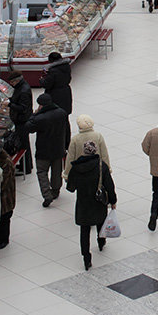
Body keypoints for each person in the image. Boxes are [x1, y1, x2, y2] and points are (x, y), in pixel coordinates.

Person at [65, 141, 117, 270]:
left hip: (83, 203)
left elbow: (70, 188)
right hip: (98, 201)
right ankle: (101, 242)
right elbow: (110, 185)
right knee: (100, 222)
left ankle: (86, 258)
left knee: (85, 230)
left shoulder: (76, 168)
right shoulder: (101, 166)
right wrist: (113, 200)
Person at [23, 93, 68, 207]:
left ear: (41, 105)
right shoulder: (62, 113)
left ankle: (47, 195)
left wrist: (34, 115)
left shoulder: (39, 118)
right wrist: (66, 145)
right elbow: (67, 130)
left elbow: (28, 128)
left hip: (43, 150)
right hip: (58, 148)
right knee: (57, 171)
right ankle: (56, 190)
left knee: (42, 172)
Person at [64, 115, 110, 179]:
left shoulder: (75, 139)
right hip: (96, 169)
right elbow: (104, 154)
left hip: (80, 171)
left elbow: (70, 158)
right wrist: (107, 169)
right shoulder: (98, 136)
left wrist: (67, 173)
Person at [6, 70, 34, 174]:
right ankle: (25, 166)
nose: (11, 85)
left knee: (23, 145)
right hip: (21, 120)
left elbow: (23, 108)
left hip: (22, 121)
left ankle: (26, 168)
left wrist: (10, 104)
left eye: (12, 83)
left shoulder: (23, 90)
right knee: (24, 144)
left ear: (17, 81)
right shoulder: (21, 87)